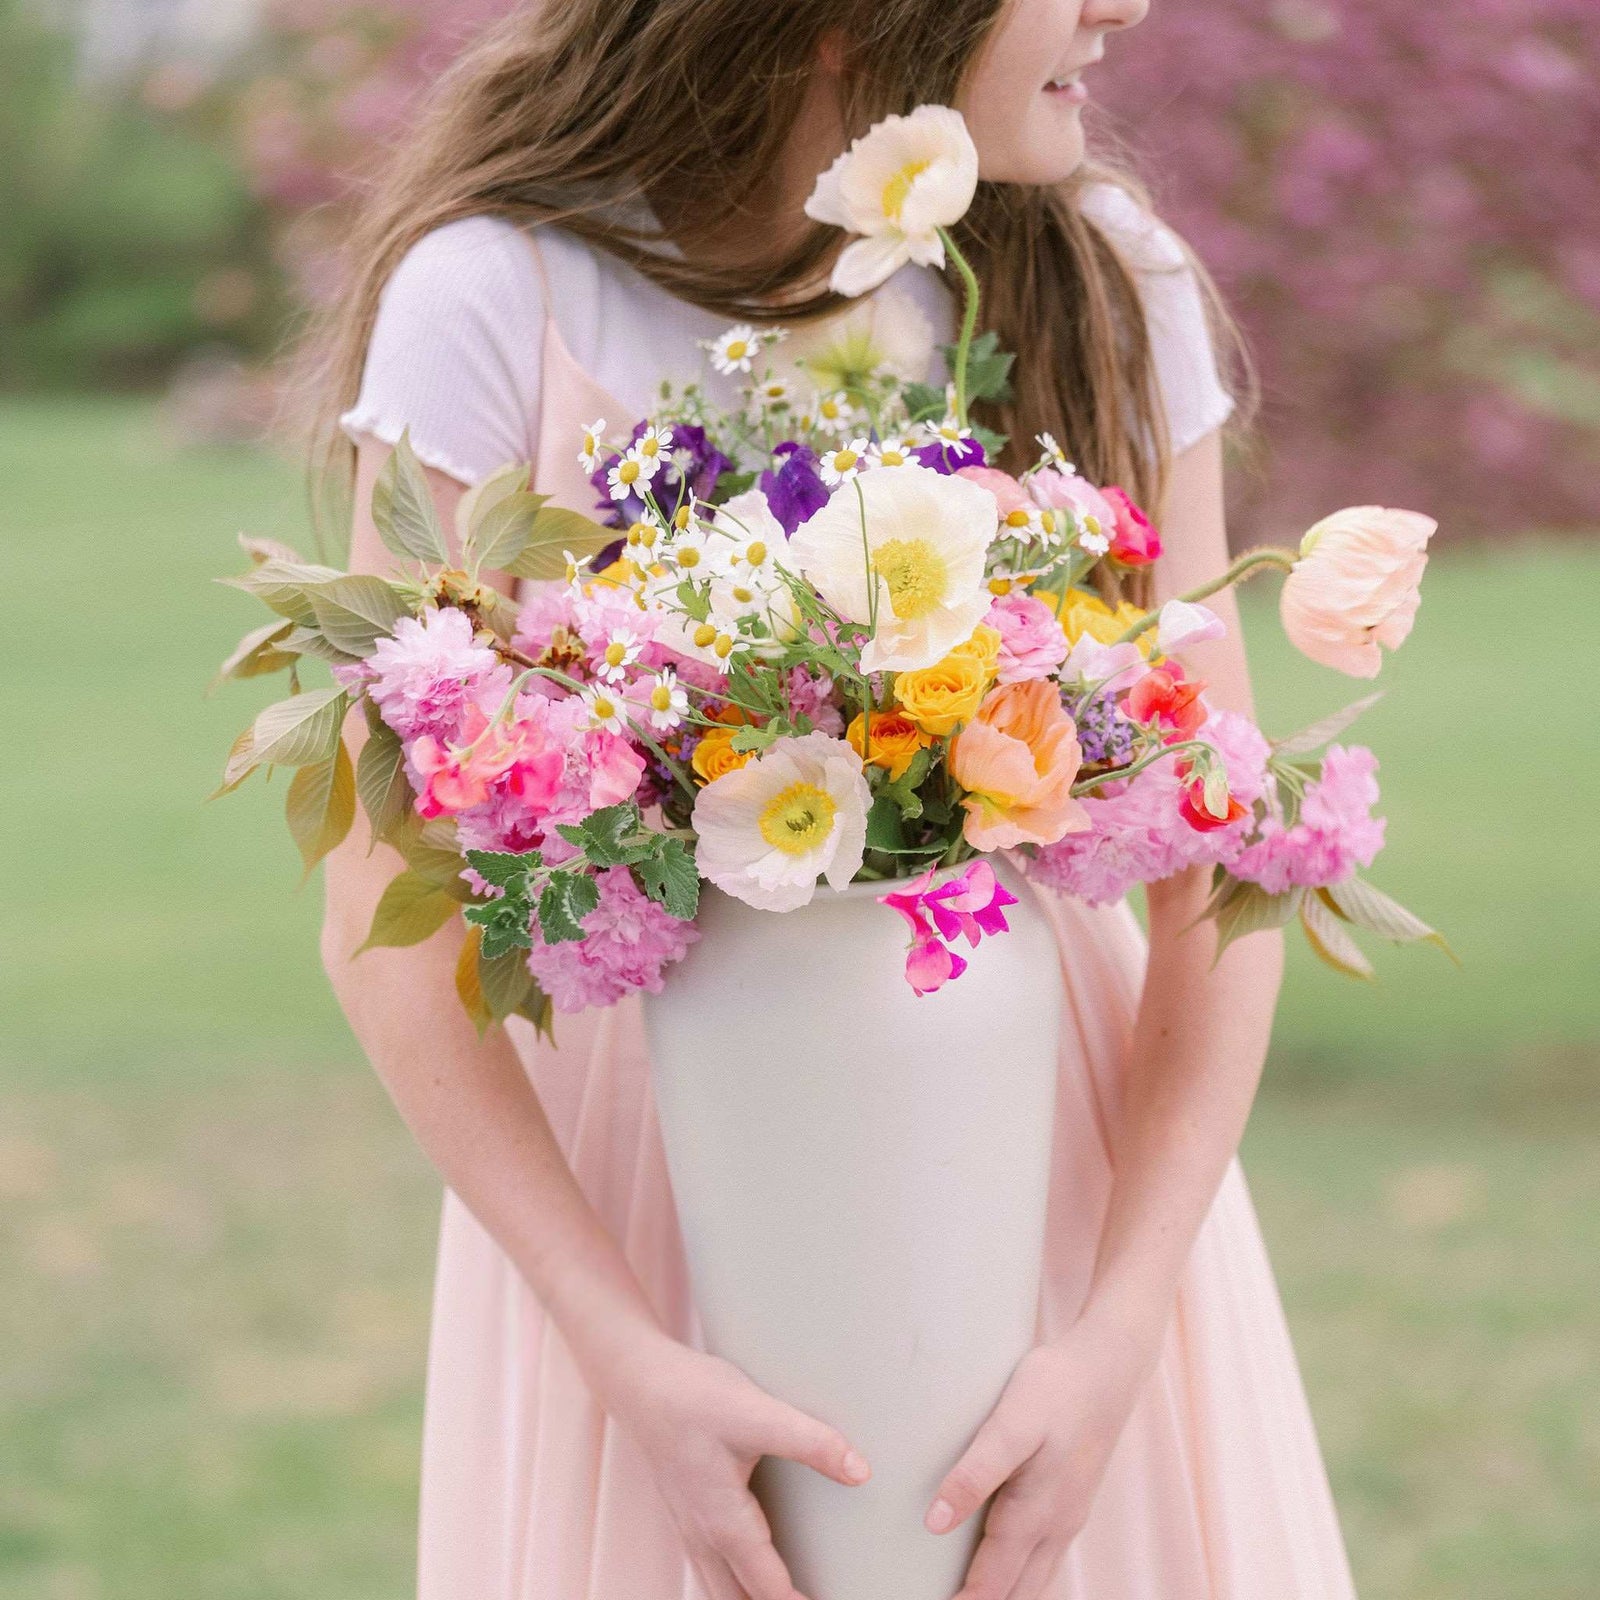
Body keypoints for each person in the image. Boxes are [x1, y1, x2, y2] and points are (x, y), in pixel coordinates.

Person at [309, 1, 1358, 1596]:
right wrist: (617, 1349)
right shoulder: (503, 296)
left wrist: (1124, 1318)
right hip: (653, 1211)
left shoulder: (1102, 280)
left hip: (1058, 1187)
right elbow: (380, 923)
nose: (1121, 8)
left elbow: (1223, 863)